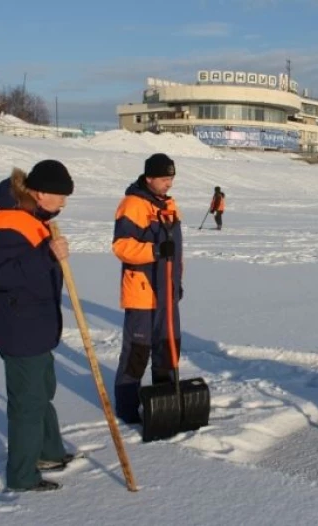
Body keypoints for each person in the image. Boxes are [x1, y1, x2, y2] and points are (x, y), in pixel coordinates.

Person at [0, 160, 76, 492]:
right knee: (28, 403)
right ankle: (22, 476)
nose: (63, 203)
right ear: (38, 192)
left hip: (36, 325)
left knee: (42, 391)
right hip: (18, 326)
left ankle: (49, 452)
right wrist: (47, 255)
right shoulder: (8, 223)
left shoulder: (34, 219)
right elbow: (1, 276)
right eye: (59, 195)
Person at [111, 153, 183, 424]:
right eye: (165, 179)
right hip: (142, 291)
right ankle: (127, 408)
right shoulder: (133, 205)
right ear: (149, 178)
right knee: (138, 351)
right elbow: (121, 246)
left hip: (167, 291)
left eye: (172, 178)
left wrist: (178, 282)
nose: (169, 184)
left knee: (169, 346)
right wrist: (153, 250)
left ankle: (165, 400)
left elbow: (176, 253)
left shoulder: (170, 205)